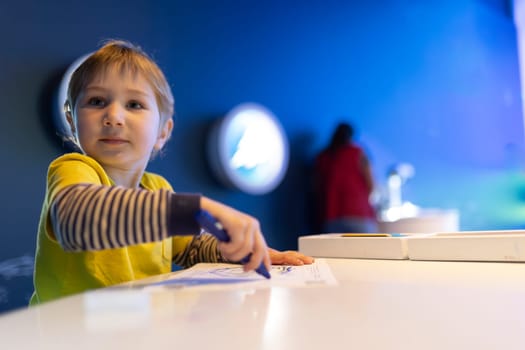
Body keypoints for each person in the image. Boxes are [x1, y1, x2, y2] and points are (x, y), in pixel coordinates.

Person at [30, 39, 312, 305]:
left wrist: (235, 250)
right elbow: (78, 219)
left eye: (134, 105)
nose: (113, 116)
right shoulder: (74, 169)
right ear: (71, 119)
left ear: (163, 132)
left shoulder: (158, 188)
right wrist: (196, 208)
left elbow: (191, 248)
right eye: (96, 102)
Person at [313, 122, 377, 233]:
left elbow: (316, 189)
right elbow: (371, 184)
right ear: (351, 136)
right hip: (359, 214)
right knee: (369, 249)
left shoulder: (323, 157)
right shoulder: (359, 153)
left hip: (331, 216)